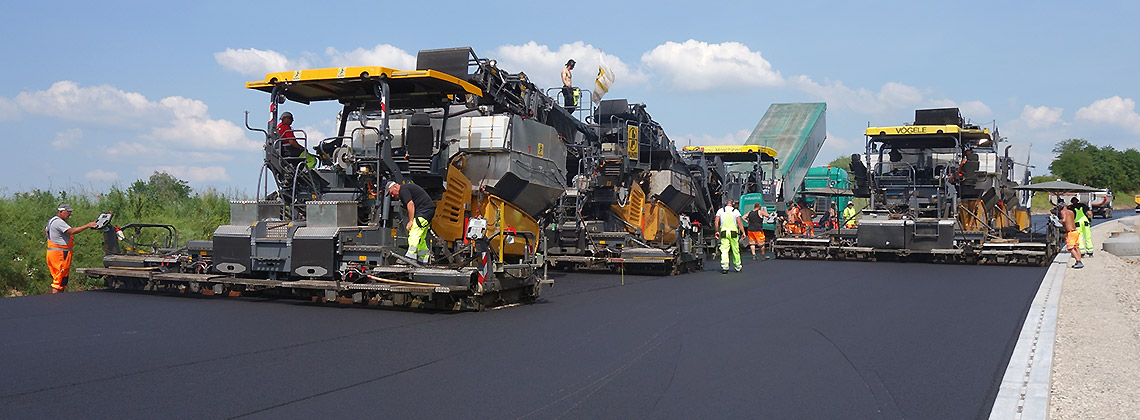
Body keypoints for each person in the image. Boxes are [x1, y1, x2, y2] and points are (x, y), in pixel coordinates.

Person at [44, 204, 98, 293]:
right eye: (68, 212)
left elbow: (46, 230)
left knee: (60, 278)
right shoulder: (59, 222)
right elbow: (72, 231)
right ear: (61, 211)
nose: (69, 214)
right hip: (60, 254)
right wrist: (88, 225)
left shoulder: (52, 220)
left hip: (53, 252)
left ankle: (59, 300)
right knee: (59, 280)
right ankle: (56, 301)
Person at [387, 181, 437, 264]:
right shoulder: (406, 189)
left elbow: (410, 204)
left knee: (414, 234)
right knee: (421, 238)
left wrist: (410, 221)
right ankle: (423, 259)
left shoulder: (403, 190)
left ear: (395, 187)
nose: (392, 196)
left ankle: (410, 257)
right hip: (428, 211)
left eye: (392, 193)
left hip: (424, 211)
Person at [714, 199, 745, 274]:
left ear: (725, 204)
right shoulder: (735, 211)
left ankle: (725, 267)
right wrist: (743, 232)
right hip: (733, 232)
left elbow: (716, 221)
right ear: (733, 204)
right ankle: (738, 266)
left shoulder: (720, 211)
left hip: (724, 232)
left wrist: (716, 231)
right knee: (735, 250)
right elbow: (739, 222)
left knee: (724, 250)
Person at [1059, 202, 1084, 268]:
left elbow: (1064, 220)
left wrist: (1059, 221)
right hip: (1075, 231)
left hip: (1070, 233)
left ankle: (1078, 261)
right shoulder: (1071, 212)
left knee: (1070, 248)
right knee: (1076, 247)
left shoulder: (1063, 212)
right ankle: (1079, 260)